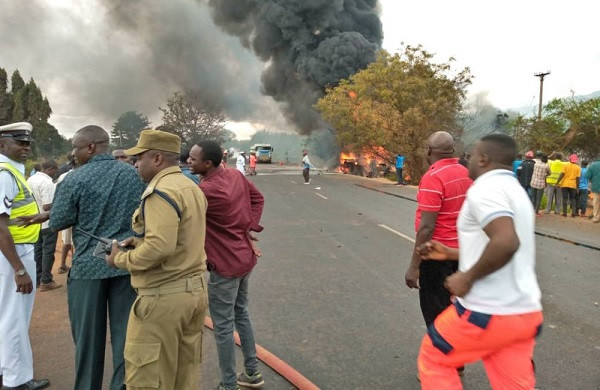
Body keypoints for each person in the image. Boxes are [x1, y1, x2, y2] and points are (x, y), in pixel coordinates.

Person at [416, 133, 543, 389]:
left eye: (472, 155)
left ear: (484, 158)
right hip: (524, 315)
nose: (467, 160)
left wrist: (467, 276)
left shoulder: (485, 189)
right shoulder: (515, 191)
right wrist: (450, 254)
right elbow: (499, 245)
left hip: (487, 311)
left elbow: (506, 242)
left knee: (435, 358)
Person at [23, 125, 145, 390]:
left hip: (89, 268)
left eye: (76, 147)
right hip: (125, 264)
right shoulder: (133, 174)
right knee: (126, 337)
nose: (73, 153)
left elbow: (60, 220)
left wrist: (51, 214)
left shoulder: (74, 179)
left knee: (88, 339)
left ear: (90, 147)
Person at [106, 130, 208, 389]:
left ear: (158, 158)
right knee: (182, 377)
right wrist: (138, 241)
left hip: (163, 299)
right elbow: (180, 237)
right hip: (193, 293)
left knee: (148, 379)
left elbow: (159, 248)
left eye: (139, 157)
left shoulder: (160, 192)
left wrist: (120, 259)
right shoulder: (190, 186)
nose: (136, 163)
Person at [188, 140, 265, 390]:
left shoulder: (205, 191)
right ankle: (252, 373)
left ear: (207, 163)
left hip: (225, 264)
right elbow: (258, 198)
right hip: (244, 258)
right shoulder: (235, 175)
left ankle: (229, 385)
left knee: (222, 327)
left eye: (193, 159)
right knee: (241, 313)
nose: (188, 161)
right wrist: (249, 227)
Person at [405, 132, 472, 375]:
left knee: (436, 311)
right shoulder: (467, 172)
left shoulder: (433, 177)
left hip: (437, 255)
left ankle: (443, 365)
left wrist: (414, 266)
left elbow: (426, 227)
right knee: (457, 309)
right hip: (463, 254)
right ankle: (457, 359)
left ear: (429, 150)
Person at [0, 122, 50, 390]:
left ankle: (5, 371)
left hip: (11, 253)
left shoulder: (11, 172)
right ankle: (17, 381)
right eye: (19, 142)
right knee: (14, 317)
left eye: (27, 143)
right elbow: (0, 225)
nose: (25, 147)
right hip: (13, 255)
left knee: (5, 314)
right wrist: (19, 270)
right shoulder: (4, 173)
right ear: (1, 144)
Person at [27, 159, 61, 291]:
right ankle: (46, 280)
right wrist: (61, 200)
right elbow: (47, 206)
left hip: (34, 221)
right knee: (48, 251)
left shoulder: (30, 179)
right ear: (50, 169)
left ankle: (37, 278)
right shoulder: (47, 183)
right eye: (55, 170)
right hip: (46, 222)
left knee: (38, 250)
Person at [587, 158, 600, 223]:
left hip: (596, 187)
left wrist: (592, 180)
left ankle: (596, 218)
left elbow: (588, 176)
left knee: (596, 203)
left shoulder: (593, 165)